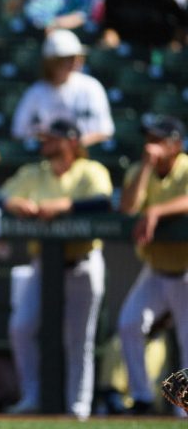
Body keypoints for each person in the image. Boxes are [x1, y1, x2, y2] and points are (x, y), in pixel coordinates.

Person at [0, 119, 112, 419]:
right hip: (44, 265)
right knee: (21, 328)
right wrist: (17, 204)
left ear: (71, 142)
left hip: (83, 261)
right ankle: (32, 397)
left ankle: (79, 407)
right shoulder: (34, 172)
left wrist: (64, 206)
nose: (44, 143)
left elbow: (103, 202)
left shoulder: (91, 170)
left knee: (78, 339)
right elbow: (4, 195)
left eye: (51, 138)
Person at [117, 115, 188, 415]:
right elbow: (129, 207)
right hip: (156, 269)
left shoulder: (185, 165)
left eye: (158, 139)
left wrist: (157, 210)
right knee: (129, 324)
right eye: (149, 138)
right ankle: (142, 397)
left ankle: (183, 409)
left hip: (186, 269)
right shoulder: (139, 169)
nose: (151, 145)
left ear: (175, 144)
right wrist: (146, 167)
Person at [11, 28, 114, 148]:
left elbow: (106, 131)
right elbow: (18, 132)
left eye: (76, 57)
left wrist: (73, 146)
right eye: (66, 58)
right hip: (48, 159)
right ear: (51, 62)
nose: (74, 62)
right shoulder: (36, 92)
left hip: (84, 157)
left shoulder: (91, 86)